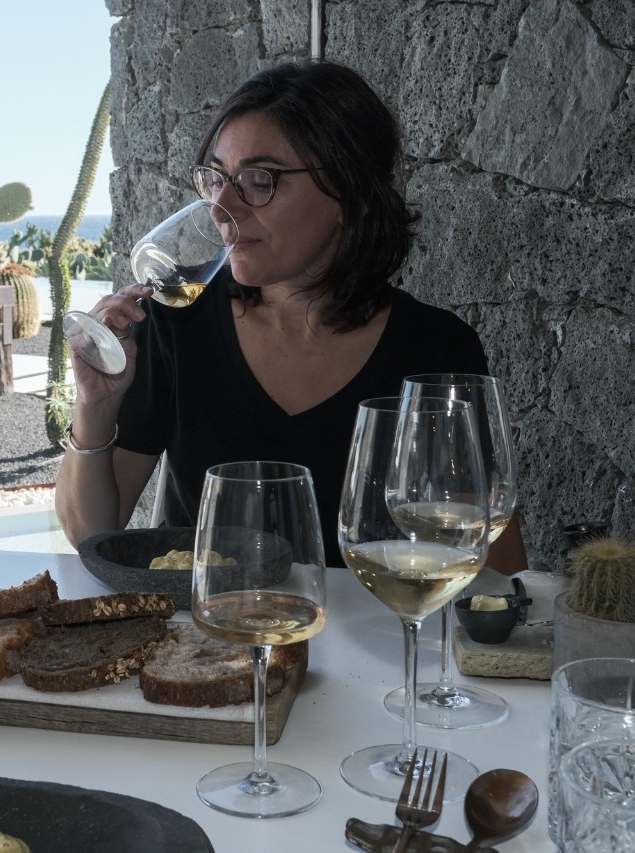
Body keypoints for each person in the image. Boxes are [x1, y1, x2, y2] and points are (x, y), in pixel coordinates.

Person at [55, 60, 527, 573]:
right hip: (202, 640)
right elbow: (92, 536)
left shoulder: (434, 349)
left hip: (377, 644)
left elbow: (496, 569)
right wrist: (96, 405)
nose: (221, 208)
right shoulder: (176, 323)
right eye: (216, 178)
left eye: (260, 180)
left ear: (347, 192)